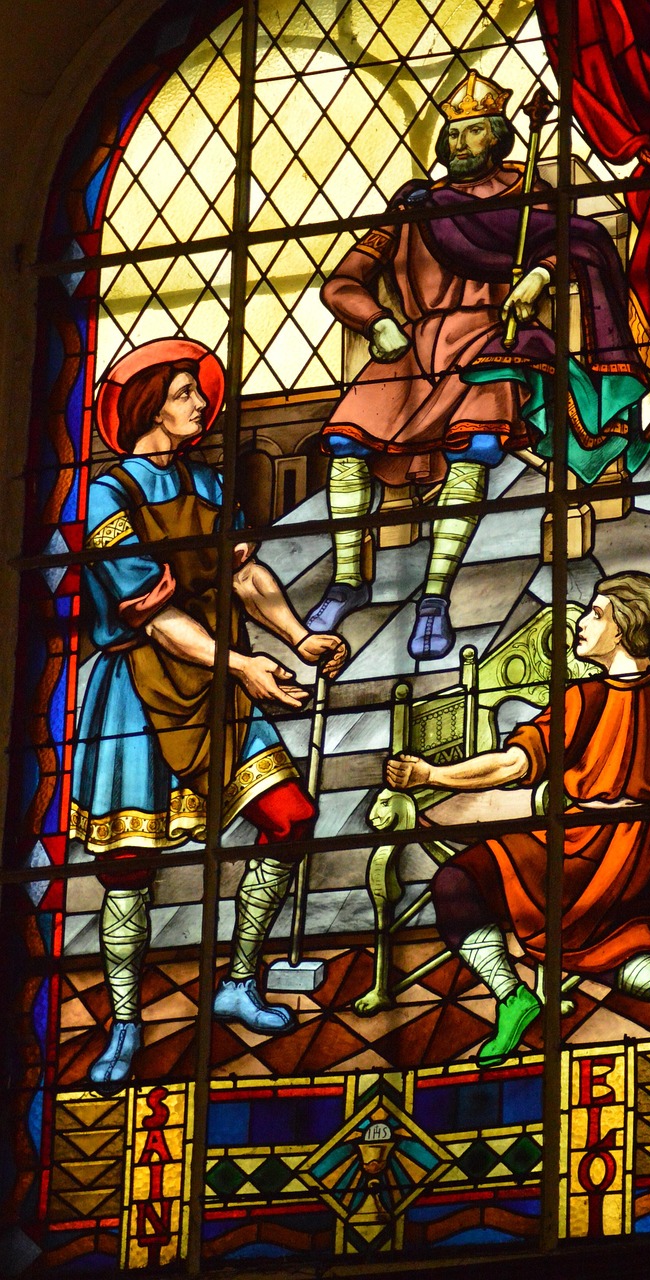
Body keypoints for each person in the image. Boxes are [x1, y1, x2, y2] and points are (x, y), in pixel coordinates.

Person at [70, 338, 347, 1092]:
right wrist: (246, 666)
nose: (202, 404)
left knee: (290, 818)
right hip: (143, 689)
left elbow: (244, 571)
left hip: (222, 679)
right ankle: (125, 1023)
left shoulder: (206, 480)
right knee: (129, 868)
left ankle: (238, 980)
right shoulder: (106, 498)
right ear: (147, 404)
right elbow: (154, 617)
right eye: (187, 392)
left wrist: (296, 635)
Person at [307, 72, 650, 659]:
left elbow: (582, 241)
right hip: (411, 349)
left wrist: (540, 275)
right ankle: (347, 579)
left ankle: (435, 598)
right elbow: (342, 283)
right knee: (345, 444)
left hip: (492, 343)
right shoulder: (414, 207)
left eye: (472, 133)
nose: (459, 145)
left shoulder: (527, 199)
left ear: (498, 137)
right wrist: (375, 320)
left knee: (475, 450)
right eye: (453, 133)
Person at [385, 570, 650, 1068]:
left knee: (457, 882)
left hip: (586, 857)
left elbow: (511, 764)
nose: (581, 622)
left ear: (624, 627)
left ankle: (512, 996)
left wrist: (430, 773)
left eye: (596, 614)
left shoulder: (584, 701)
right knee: (610, 936)